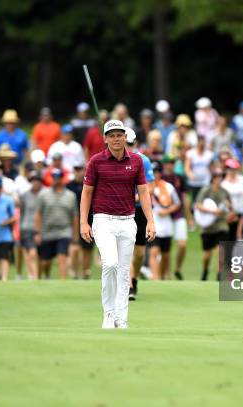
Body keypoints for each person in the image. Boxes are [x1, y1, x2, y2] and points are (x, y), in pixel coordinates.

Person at [80, 119, 155, 329]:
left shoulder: (137, 161)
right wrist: (83, 223)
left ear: (125, 137)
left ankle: (121, 318)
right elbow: (86, 194)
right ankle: (109, 314)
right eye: (111, 135)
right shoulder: (95, 161)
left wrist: (150, 220)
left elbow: (143, 192)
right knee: (110, 264)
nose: (116, 139)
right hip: (103, 220)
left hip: (128, 221)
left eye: (119, 135)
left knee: (124, 272)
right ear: (105, 139)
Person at [125, 127, 154, 300]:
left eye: (130, 144)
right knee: (126, 248)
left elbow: (150, 186)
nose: (127, 147)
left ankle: (134, 278)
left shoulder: (143, 160)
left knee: (140, 253)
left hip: (139, 209)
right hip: (123, 210)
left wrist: (136, 195)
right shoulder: (115, 160)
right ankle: (128, 285)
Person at [34, 169, 78, 279]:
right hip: (47, 232)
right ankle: (47, 275)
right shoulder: (43, 195)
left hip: (64, 232)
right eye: (54, 177)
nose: (55, 180)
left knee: (62, 256)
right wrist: (37, 233)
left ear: (62, 179)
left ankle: (63, 283)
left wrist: (75, 235)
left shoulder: (70, 196)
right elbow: (38, 214)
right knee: (45, 262)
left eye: (58, 178)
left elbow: (75, 217)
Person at [194, 168, 231, 281]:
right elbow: (198, 206)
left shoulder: (225, 192)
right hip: (208, 227)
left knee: (221, 250)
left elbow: (229, 207)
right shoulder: (206, 191)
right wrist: (213, 212)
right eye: (216, 177)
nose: (218, 179)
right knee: (207, 255)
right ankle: (205, 271)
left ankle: (219, 276)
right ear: (212, 178)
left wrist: (228, 210)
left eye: (220, 177)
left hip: (221, 224)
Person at [149, 161, 180, 280]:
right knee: (154, 251)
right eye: (152, 172)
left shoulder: (168, 187)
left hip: (166, 226)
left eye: (157, 172)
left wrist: (166, 212)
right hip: (153, 225)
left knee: (165, 255)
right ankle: (155, 277)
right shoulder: (145, 186)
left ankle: (162, 276)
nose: (155, 175)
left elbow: (177, 203)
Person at [160, 155, 188, 280]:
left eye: (172, 162)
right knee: (166, 247)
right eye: (168, 163)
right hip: (164, 215)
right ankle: (167, 274)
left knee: (182, 244)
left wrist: (190, 216)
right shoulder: (160, 178)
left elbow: (184, 198)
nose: (170, 165)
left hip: (178, 214)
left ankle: (177, 269)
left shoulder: (179, 178)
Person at [67, 165, 94, 279]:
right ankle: (74, 272)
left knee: (87, 247)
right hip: (73, 219)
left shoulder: (90, 183)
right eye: (76, 169)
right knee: (75, 247)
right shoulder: (69, 186)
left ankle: (85, 271)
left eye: (81, 169)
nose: (78, 172)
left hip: (90, 218)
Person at [19, 171, 42, 280]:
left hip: (41, 228)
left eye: (37, 180)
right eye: (33, 181)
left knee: (39, 254)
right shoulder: (25, 195)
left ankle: (35, 274)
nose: (35, 183)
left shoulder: (45, 194)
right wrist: (20, 227)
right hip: (27, 226)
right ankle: (33, 275)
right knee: (31, 252)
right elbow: (22, 212)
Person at [185, 134, 215, 203]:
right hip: (194, 182)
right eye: (200, 141)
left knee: (204, 201)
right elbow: (187, 167)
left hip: (205, 181)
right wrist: (190, 174)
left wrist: (212, 179)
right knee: (193, 201)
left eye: (203, 141)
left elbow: (212, 168)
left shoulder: (209, 154)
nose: (201, 143)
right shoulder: (190, 153)